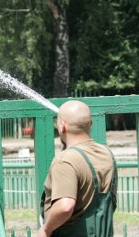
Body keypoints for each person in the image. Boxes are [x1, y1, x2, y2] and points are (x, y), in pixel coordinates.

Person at [38, 100, 117, 236]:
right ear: (90, 124)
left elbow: (65, 206)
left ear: (62, 127)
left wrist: (46, 229)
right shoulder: (107, 154)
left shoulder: (65, 160)